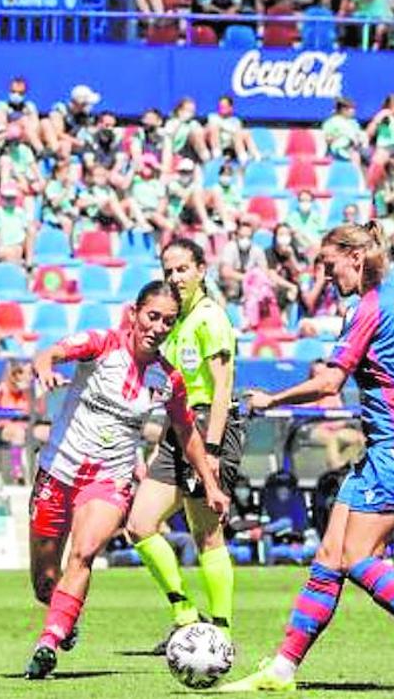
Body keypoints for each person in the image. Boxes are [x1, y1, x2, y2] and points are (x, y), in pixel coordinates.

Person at [222, 222, 394, 693]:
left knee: (360, 557)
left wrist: (270, 400)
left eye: (329, 264)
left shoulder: (366, 309)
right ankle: (282, 670)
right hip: (393, 445)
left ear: (355, 257)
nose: (325, 275)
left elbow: (329, 384)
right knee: (329, 556)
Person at [23, 280, 229, 679]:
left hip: (110, 478)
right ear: (135, 313)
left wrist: (211, 483)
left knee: (83, 553)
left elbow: (187, 433)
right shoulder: (101, 345)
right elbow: (50, 352)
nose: (159, 327)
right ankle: (62, 615)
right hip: (59, 470)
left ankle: (48, 641)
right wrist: (46, 366)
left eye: (169, 321)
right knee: (45, 582)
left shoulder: (167, 378)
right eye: (153, 316)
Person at [126, 238, 243, 652]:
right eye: (168, 270)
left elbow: (223, 388)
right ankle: (185, 615)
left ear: (201, 270)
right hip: (179, 431)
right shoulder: (176, 321)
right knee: (139, 525)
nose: (174, 278)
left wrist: (210, 451)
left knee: (207, 535)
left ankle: (222, 633)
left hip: (209, 429)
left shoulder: (211, 318)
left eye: (182, 269)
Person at [0, 359, 48, 486]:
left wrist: (38, 394)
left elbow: (40, 412)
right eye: (26, 374)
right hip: (5, 429)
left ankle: (48, 475)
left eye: (31, 375)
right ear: (14, 375)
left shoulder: (32, 391)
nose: (29, 378)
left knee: (47, 432)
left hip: (28, 426)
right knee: (17, 433)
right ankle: (17, 474)